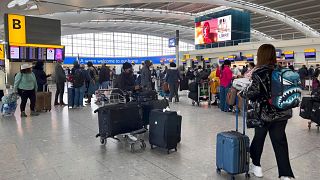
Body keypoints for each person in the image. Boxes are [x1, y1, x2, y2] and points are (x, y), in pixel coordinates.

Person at [244, 44, 294, 180]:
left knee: (259, 139)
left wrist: (243, 92)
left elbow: (253, 93)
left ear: (261, 56)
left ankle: (257, 167)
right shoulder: (283, 71)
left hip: (264, 113)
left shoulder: (259, 72)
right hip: (282, 112)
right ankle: (285, 174)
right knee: (280, 142)